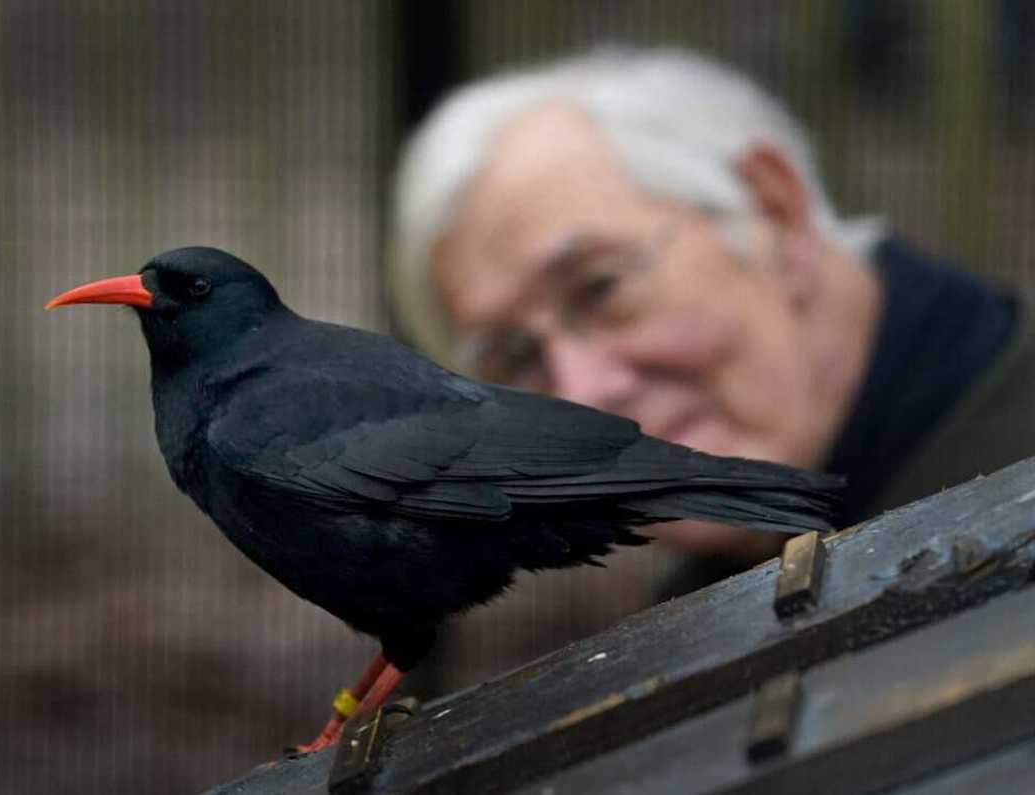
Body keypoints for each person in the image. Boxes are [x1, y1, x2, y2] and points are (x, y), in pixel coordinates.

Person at [385, 47, 1033, 688]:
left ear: (775, 211)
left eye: (600, 288)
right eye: (516, 357)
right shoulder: (725, 573)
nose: (582, 391)